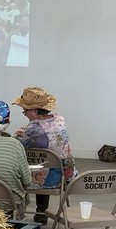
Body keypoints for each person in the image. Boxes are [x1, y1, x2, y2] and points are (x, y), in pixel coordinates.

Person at [12, 86, 77, 220]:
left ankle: (17, 214)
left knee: (26, 168)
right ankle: (41, 212)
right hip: (64, 176)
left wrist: (18, 135)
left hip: (43, 179)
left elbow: (17, 146)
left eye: (25, 111)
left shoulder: (33, 130)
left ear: (34, 111)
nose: (25, 114)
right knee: (44, 164)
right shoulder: (60, 120)